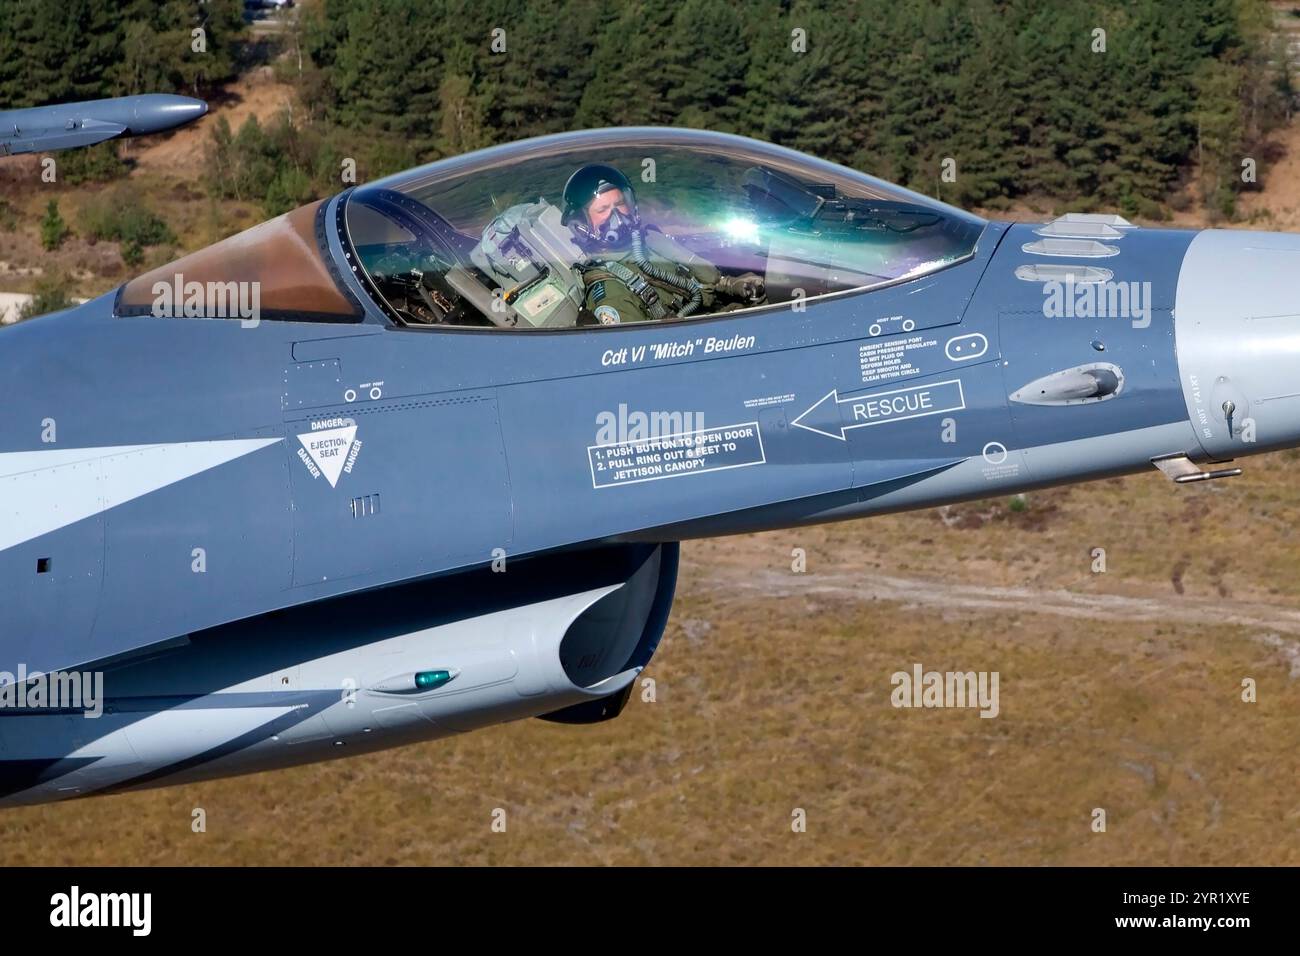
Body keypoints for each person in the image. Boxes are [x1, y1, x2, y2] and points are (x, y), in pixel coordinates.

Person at [560, 163, 765, 325]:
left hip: (715, 315)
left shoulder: (648, 241)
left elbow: (700, 280)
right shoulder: (611, 291)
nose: (617, 215)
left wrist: (732, 285)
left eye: (620, 204)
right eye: (603, 209)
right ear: (581, 225)